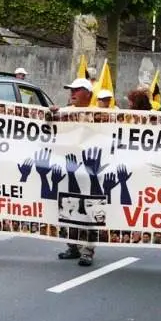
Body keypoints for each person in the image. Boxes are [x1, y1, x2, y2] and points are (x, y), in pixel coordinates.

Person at [54, 77, 99, 266]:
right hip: (68, 169)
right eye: (70, 90)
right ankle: (72, 245)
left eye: (77, 90)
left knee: (88, 209)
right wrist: (50, 115)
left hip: (90, 171)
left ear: (88, 94)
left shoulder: (100, 114)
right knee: (67, 208)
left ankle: (87, 249)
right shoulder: (64, 113)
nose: (72, 93)